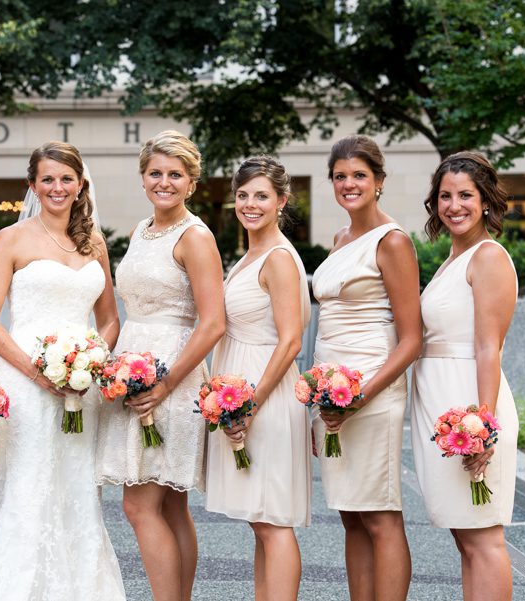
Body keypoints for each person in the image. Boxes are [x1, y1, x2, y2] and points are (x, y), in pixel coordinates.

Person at [0, 141, 124, 601]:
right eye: (48, 179)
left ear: (80, 185)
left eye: (66, 179)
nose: (57, 187)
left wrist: (92, 362)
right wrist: (39, 374)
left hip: (82, 387)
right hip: (26, 383)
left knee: (79, 490)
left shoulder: (93, 241)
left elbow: (110, 319)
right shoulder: (11, 239)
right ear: (33, 185)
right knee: (30, 487)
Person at [95, 130, 225, 601]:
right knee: (170, 506)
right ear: (143, 177)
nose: (164, 182)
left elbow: (212, 323)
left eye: (175, 174)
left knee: (138, 504)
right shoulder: (140, 231)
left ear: (192, 182)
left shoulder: (196, 237)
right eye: (156, 173)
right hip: (135, 363)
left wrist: (166, 383)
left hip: (173, 376)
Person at [310, 135, 421, 601]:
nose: (349, 184)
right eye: (340, 176)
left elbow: (412, 338)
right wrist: (321, 396)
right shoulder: (340, 239)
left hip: (373, 387)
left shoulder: (392, 241)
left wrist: (361, 394)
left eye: (359, 175)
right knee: (349, 513)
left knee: (379, 513)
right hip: (330, 392)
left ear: (378, 182)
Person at [411, 151, 518, 601]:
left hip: (471, 406)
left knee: (483, 539)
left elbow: (487, 346)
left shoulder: (488, 256)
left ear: (486, 201)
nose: (454, 205)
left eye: (466, 196)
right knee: (465, 537)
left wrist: (483, 426)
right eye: (445, 196)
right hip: (441, 405)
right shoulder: (454, 258)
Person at [204, 157, 311, 601]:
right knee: (259, 520)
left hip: (266, 394)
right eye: (244, 195)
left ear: (281, 201)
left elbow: (291, 342)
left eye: (261, 195)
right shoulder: (250, 256)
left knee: (272, 519)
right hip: (243, 390)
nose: (250, 204)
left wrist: (250, 402)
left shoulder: (280, 258)